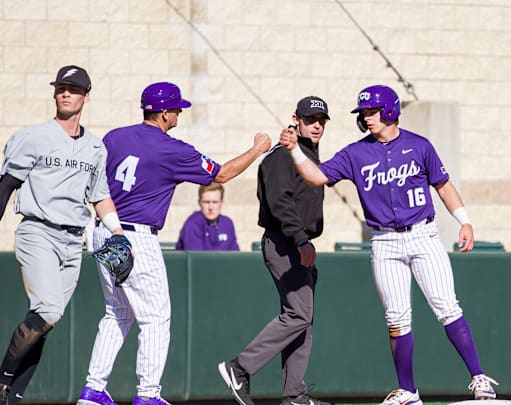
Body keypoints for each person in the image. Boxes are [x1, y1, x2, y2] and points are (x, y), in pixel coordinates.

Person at [279, 85, 498, 405]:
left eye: (372, 112)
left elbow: (443, 184)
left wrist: (463, 220)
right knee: (396, 318)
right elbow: (316, 177)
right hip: (384, 241)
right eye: (364, 113)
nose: (367, 118)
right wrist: (294, 151)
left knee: (446, 307)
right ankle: (408, 391)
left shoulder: (419, 145)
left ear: (391, 111)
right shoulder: (356, 153)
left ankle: (479, 378)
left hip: (423, 235)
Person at [76, 82, 271, 405]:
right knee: (155, 318)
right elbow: (220, 175)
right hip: (137, 236)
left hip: (104, 229)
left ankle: (93, 391)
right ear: (164, 113)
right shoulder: (172, 149)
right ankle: (148, 395)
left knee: (116, 313)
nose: (179, 112)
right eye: (176, 108)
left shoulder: (115, 137)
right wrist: (256, 149)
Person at [0, 65, 127, 405]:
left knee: (46, 321)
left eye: (73, 89)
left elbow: (99, 196)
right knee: (48, 311)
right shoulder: (33, 137)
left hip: (73, 241)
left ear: (86, 95)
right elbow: (6, 185)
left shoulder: (95, 148)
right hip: (38, 231)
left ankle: (14, 396)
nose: (65, 93)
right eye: (60, 88)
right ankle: (3, 381)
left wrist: (117, 231)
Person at [218, 96, 330, 405]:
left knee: (303, 319)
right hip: (285, 243)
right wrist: (300, 240)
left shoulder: (305, 156)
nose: (317, 125)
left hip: (297, 243)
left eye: (321, 120)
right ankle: (239, 368)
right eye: (310, 119)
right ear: (296, 119)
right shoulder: (282, 158)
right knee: (299, 314)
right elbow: (280, 203)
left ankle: (294, 394)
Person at [175, 182, 240, 251]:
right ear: (199, 203)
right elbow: (196, 258)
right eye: (206, 202)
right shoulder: (192, 224)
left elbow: (235, 255)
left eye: (215, 202)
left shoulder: (227, 223)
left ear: (221, 202)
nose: (211, 207)